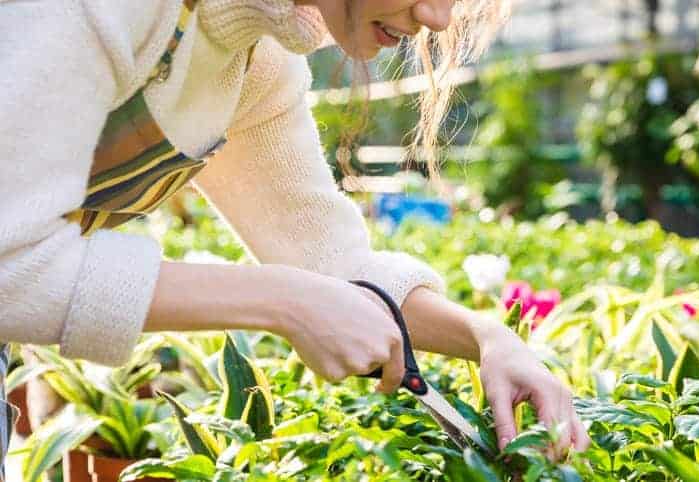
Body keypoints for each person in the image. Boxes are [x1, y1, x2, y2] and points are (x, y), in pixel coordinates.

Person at [0, 0, 591, 474]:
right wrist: (284, 301)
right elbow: (11, 266)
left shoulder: (256, 62)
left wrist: (487, 338)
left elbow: (329, 259)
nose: (439, 17)